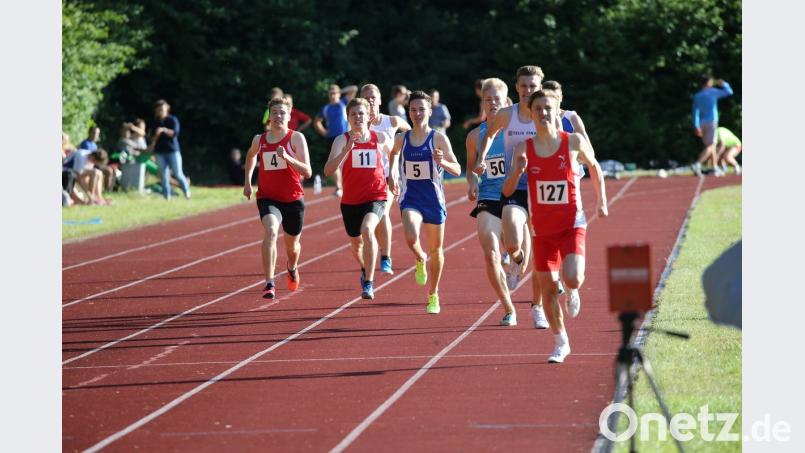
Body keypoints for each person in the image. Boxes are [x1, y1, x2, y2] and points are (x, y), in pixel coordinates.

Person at [503, 89, 608, 363]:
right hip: (541, 231)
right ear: (531, 113)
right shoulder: (522, 148)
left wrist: (601, 202)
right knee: (548, 289)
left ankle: (572, 290)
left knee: (572, 277)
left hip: (571, 223)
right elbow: (507, 190)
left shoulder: (572, 141)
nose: (544, 113)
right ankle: (561, 342)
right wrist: (517, 171)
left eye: (548, 108)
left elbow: (595, 167)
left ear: (557, 108)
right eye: (538, 109)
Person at [473, 65, 543, 325]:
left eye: (532, 86)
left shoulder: (545, 113)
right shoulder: (501, 119)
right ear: (517, 88)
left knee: (542, 248)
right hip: (506, 190)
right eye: (523, 86)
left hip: (540, 187)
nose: (527, 90)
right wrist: (478, 164)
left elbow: (562, 135)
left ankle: (541, 302)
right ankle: (510, 303)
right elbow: (487, 137)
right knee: (504, 248)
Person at [388, 91, 462, 314]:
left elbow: (457, 168)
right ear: (408, 112)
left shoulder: (438, 138)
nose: (417, 113)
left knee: (437, 250)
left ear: (430, 111)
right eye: (413, 110)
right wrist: (392, 174)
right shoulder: (402, 138)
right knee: (411, 237)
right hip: (410, 198)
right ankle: (419, 257)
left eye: (422, 109)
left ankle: (433, 294)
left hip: (433, 200)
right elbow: (392, 154)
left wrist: (444, 163)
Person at [324, 98, 394, 300]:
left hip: (376, 195)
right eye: (354, 114)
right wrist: (346, 150)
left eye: (361, 113)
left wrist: (395, 176)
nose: (358, 117)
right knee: (356, 245)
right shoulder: (341, 140)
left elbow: (396, 156)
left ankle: (369, 283)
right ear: (348, 117)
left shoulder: (379, 138)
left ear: (368, 116)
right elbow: (328, 170)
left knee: (367, 229)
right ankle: (365, 268)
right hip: (351, 201)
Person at [243, 97, 312, 300]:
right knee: (271, 231)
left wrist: (287, 158)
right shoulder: (260, 139)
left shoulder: (296, 138)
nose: (278, 116)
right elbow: (250, 156)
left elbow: (307, 171)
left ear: (289, 116)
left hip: (293, 199)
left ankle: (292, 266)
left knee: (292, 248)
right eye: (275, 113)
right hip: (268, 197)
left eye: (282, 113)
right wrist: (247, 181)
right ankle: (269, 282)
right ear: (269, 116)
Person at [465, 78, 518, 326]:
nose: (493, 103)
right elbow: (470, 170)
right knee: (490, 253)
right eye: (488, 100)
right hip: (488, 197)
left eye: (497, 99)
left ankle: (515, 259)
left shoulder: (516, 130)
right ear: (483, 103)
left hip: (517, 197)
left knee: (519, 254)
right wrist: (473, 182)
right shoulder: (475, 136)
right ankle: (508, 309)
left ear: (506, 100)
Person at [361, 83, 412, 275]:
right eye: (366, 98)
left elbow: (412, 132)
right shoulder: (357, 123)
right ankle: (368, 260)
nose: (370, 101)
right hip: (363, 179)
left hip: (387, 177)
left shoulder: (391, 121)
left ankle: (386, 257)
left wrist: (403, 161)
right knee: (363, 228)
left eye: (373, 97)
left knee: (382, 214)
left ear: (380, 100)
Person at [691, 76, 733, 176]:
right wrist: (723, 84)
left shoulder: (698, 96)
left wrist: (696, 125)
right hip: (712, 122)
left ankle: (714, 168)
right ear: (709, 83)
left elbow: (695, 112)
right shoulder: (713, 92)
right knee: (711, 145)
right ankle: (697, 163)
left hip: (701, 123)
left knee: (710, 145)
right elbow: (729, 92)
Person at [150, 99, 191, 199]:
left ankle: (186, 191)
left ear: (166, 109)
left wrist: (164, 130)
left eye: (162, 109)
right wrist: (157, 134)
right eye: (158, 109)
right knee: (164, 175)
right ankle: (166, 196)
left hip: (173, 151)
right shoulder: (155, 122)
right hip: (160, 151)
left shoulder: (172, 119)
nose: (160, 111)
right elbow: (152, 138)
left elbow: (175, 133)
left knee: (178, 173)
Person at [314, 85, 349, 197]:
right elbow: (317, 121)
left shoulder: (344, 103)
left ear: (339, 94)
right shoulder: (326, 108)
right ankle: (339, 187)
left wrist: (341, 90)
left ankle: (349, 185)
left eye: (335, 93)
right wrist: (324, 132)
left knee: (349, 162)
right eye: (331, 94)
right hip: (332, 138)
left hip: (346, 137)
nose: (333, 95)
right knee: (335, 163)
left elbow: (354, 89)